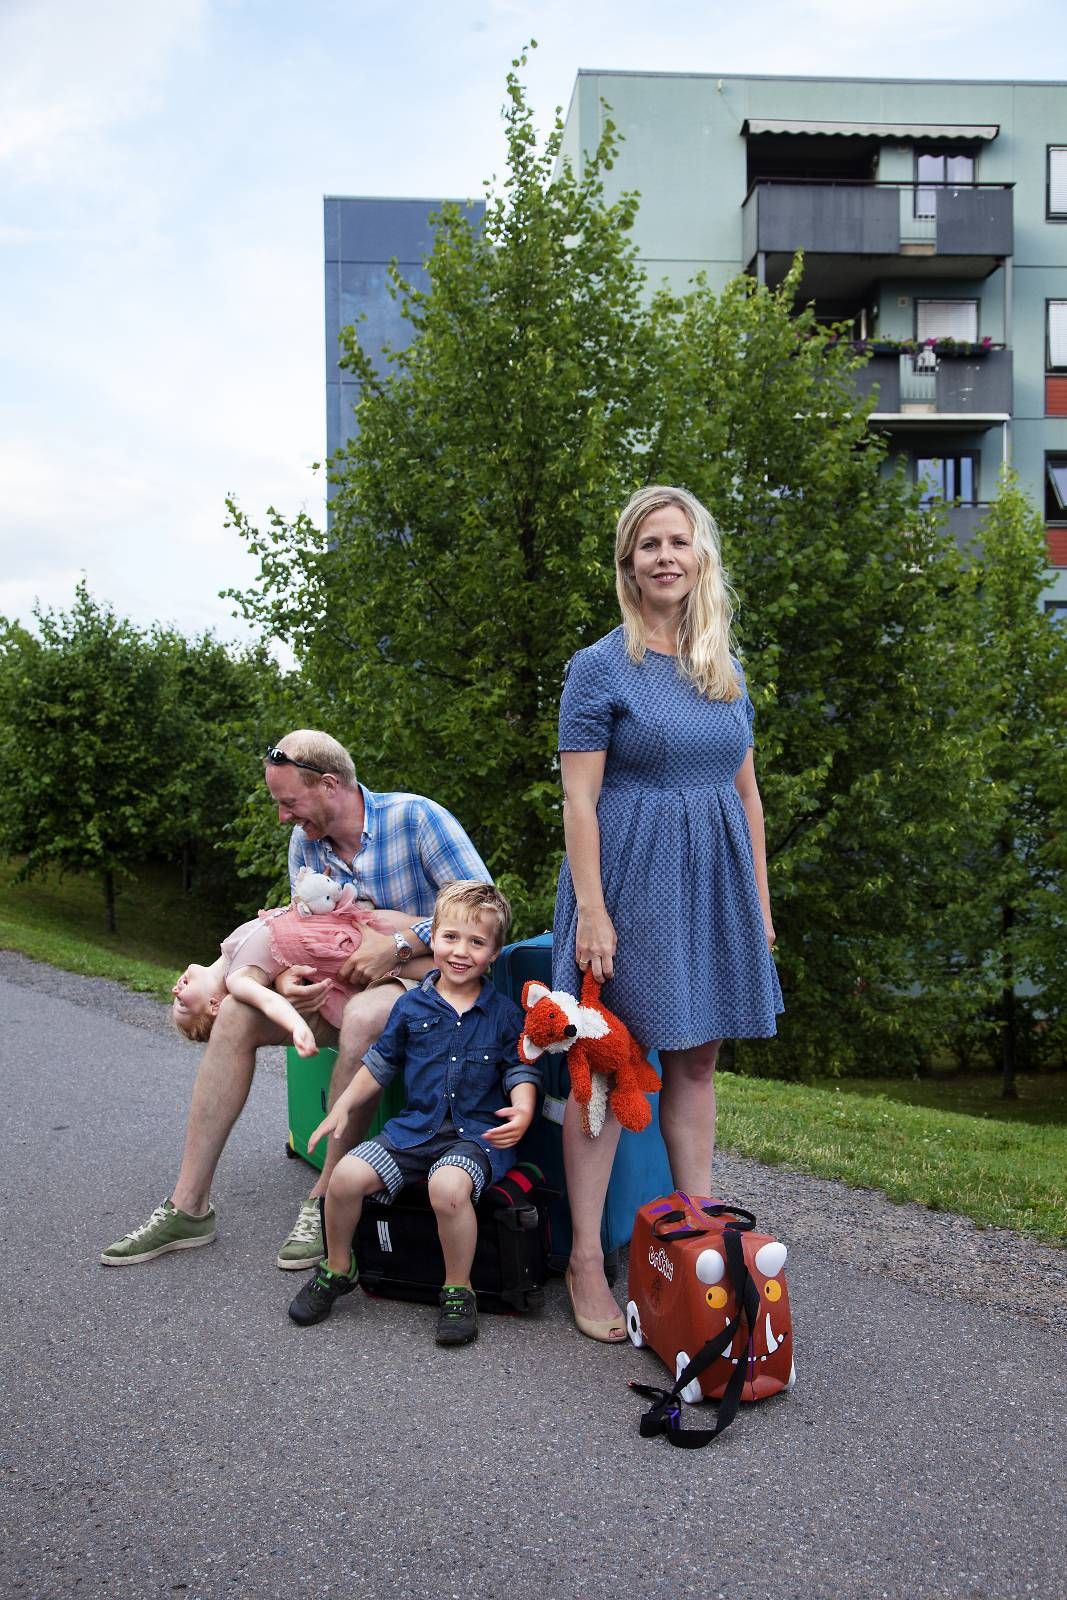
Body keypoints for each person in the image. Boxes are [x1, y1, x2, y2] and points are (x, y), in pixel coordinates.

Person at [101, 731, 491, 1269]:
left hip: (425, 983)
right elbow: (299, 928)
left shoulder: (417, 818)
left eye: (289, 803)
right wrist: (285, 981)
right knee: (236, 1011)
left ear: (329, 785)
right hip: (338, 982)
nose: (284, 817)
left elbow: (485, 907)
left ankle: (328, 1200)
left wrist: (399, 945)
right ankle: (188, 1206)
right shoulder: (305, 844)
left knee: (363, 1018)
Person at [553, 485, 782, 1342]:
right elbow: (578, 799)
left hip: (711, 885)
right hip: (626, 881)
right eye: (648, 544)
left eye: (677, 542)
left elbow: (746, 794)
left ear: (699, 556)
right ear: (628, 562)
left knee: (696, 1062)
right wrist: (591, 910)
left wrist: (758, 904)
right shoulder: (600, 666)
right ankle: (585, 1260)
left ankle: (695, 1242)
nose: (664, 557)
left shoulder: (722, 665)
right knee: (607, 1069)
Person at [287, 881, 539, 1347]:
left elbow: (519, 1069)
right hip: (413, 1133)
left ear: (493, 954)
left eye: (476, 942)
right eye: (451, 937)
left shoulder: (504, 1014)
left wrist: (523, 1108)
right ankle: (338, 1267)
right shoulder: (410, 1005)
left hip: (474, 1139)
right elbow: (379, 1065)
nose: (460, 951)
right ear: (434, 938)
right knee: (344, 1177)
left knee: (448, 1187)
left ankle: (458, 1289)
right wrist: (342, 1106)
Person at [169, 896, 433, 1047]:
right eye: (181, 1003)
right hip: (344, 950)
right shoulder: (239, 979)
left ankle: (457, 928)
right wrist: (297, 1027)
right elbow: (270, 1003)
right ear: (215, 1005)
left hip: (342, 920)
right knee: (429, 964)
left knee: (432, 928)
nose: (174, 990)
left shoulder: (228, 948)